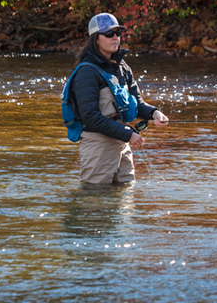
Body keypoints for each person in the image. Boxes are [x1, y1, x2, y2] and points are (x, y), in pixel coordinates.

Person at [68, 13, 168, 185]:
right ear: (95, 39)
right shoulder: (86, 72)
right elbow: (90, 117)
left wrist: (154, 114)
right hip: (97, 145)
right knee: (94, 201)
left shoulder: (122, 67)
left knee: (125, 198)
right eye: (109, 34)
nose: (115, 37)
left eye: (117, 33)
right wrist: (127, 134)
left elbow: (137, 103)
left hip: (123, 142)